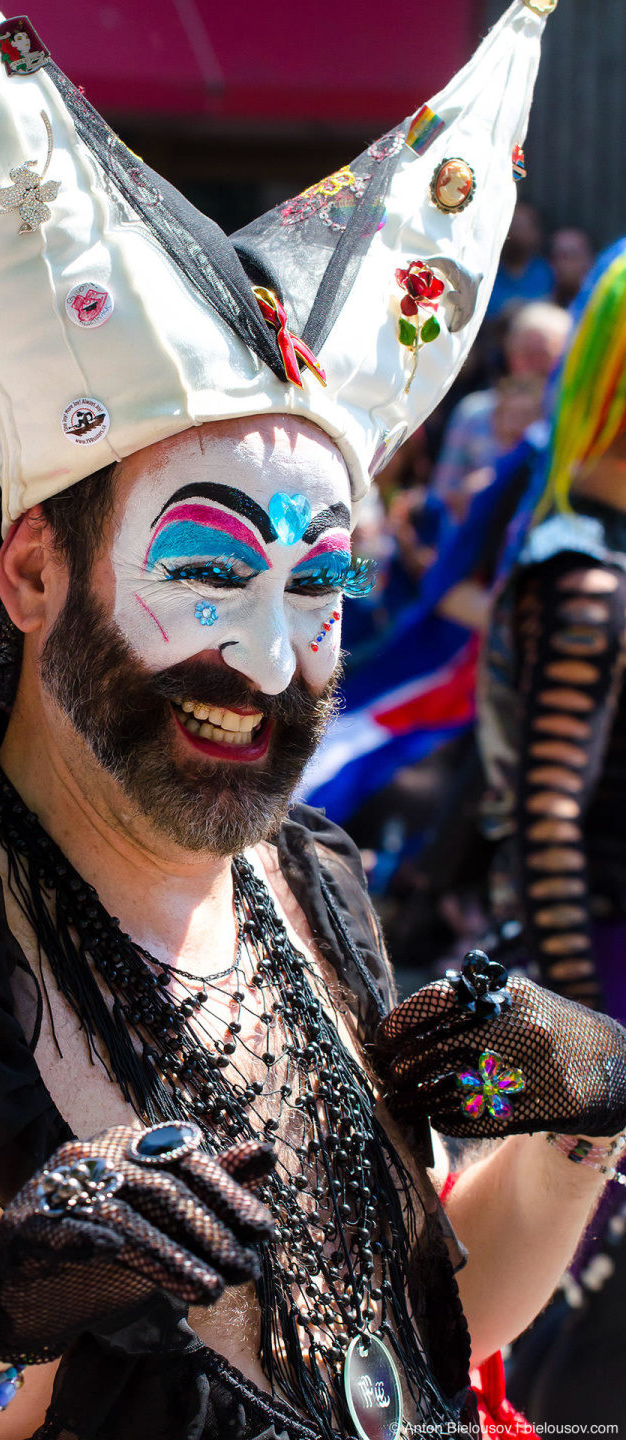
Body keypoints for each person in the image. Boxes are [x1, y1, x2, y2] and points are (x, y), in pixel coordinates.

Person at [0, 5, 625, 1439]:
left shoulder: (308, 884)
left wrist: (581, 1123)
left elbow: (392, 1347)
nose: (269, 658)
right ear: (34, 574)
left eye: (318, 586)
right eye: (206, 569)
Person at [477, 244, 626, 1430]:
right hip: (605, 986)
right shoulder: (585, 576)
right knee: (572, 1332)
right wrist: (593, 1063)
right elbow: (550, 820)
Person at [433, 301, 571, 512]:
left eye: (543, 355)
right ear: (509, 352)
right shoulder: (474, 413)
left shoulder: (571, 419)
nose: (533, 365)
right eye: (526, 353)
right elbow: (440, 495)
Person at [486, 201, 555, 320]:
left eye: (522, 227)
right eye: (512, 225)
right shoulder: (488, 272)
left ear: (537, 233)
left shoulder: (548, 272)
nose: (516, 233)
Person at [549, 227, 594, 310]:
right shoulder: (543, 302)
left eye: (570, 256)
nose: (561, 263)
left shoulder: (599, 303)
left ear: (588, 260)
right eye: (557, 256)